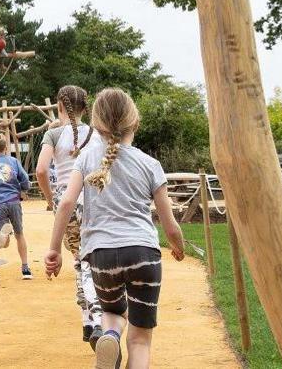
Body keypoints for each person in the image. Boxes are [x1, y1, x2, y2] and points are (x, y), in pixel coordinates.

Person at [44, 88, 185, 369]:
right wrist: (178, 246)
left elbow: (66, 203)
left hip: (101, 254)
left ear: (96, 125)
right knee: (141, 339)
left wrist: (53, 250)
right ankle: (116, 337)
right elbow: (169, 225)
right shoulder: (150, 164)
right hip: (143, 253)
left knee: (112, 312)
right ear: (135, 123)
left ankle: (109, 333)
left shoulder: (85, 159)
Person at [35, 85, 102, 343]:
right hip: (95, 199)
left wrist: (50, 199)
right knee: (86, 259)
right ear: (85, 108)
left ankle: (92, 319)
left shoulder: (53, 136)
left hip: (68, 201)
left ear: (59, 107)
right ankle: (92, 321)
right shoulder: (97, 133)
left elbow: (41, 170)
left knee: (80, 259)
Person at [0, 133, 32, 279]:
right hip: (14, 202)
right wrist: (24, 188)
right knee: (20, 234)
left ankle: (5, 236)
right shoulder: (14, 161)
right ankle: (25, 269)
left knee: (4, 242)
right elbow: (25, 179)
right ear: (6, 147)